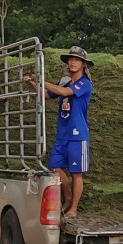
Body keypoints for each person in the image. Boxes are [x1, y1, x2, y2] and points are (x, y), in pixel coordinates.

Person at [26, 45, 92, 219]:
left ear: (84, 64)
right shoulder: (64, 81)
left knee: (76, 174)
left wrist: (41, 79)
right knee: (55, 167)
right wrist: (31, 83)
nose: (72, 62)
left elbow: (64, 92)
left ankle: (73, 209)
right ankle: (68, 195)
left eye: (76, 59)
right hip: (62, 134)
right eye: (70, 59)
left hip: (78, 135)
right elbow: (47, 95)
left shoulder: (84, 83)